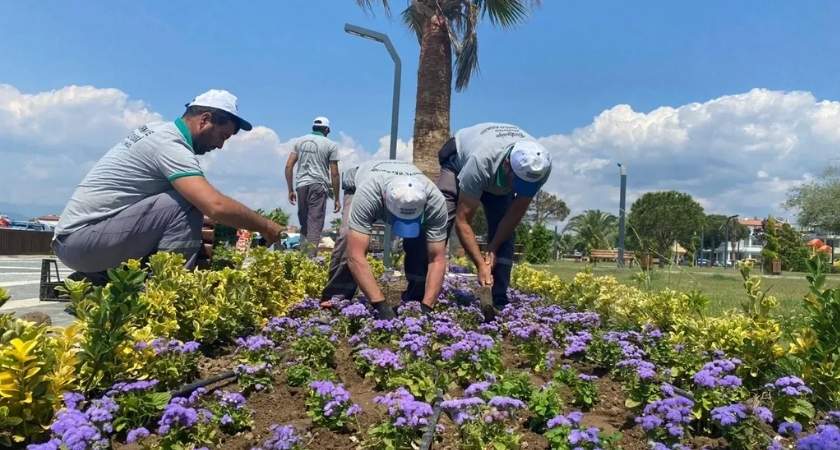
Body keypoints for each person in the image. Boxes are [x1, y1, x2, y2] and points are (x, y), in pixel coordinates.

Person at [52, 89, 283, 280]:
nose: (220, 146)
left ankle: (101, 278)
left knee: (183, 195)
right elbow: (215, 206)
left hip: (77, 241)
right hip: (81, 243)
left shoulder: (158, 129)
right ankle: (169, 291)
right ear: (204, 120)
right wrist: (267, 226)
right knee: (188, 201)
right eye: (222, 136)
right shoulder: (170, 145)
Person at [407, 123, 552, 309]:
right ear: (508, 165)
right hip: (458, 162)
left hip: (497, 173)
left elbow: (515, 213)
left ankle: (498, 300)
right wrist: (479, 263)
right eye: (518, 182)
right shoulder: (481, 162)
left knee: (505, 235)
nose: (519, 188)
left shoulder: (540, 167)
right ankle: (416, 294)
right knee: (437, 220)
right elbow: (463, 220)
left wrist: (492, 247)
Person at [321, 160, 448, 319]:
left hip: (396, 183)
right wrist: (380, 305)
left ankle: (416, 300)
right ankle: (336, 296)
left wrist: (427, 306)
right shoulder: (369, 194)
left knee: (421, 244)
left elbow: (437, 259)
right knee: (348, 237)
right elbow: (355, 256)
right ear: (385, 200)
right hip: (358, 183)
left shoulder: (435, 201)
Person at [285, 116, 340, 255]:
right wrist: (337, 198)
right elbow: (334, 173)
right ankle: (309, 260)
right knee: (315, 223)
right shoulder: (331, 145)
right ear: (327, 129)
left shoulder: (299, 142)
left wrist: (290, 189)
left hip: (301, 185)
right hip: (318, 185)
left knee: (304, 224)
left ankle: (302, 258)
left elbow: (288, 166)